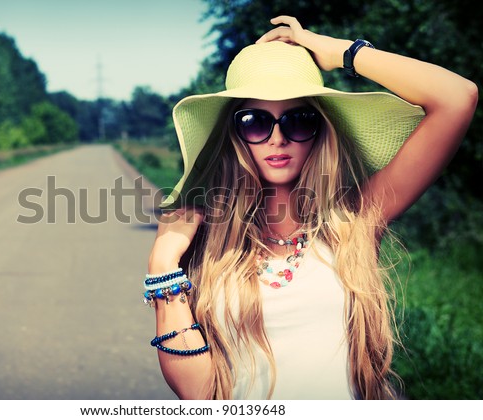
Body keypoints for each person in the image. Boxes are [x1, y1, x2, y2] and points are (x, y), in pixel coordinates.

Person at [143, 16, 477, 400]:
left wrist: (338, 52)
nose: (278, 138)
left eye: (298, 120)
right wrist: (162, 265)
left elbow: (457, 96)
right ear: (236, 135)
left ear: (320, 130)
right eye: (255, 122)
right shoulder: (209, 244)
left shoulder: (355, 221)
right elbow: (199, 396)